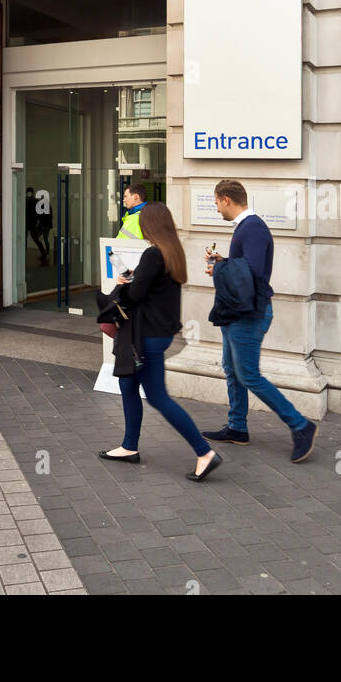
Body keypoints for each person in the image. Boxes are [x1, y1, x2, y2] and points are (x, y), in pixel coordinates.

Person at [98, 201, 222, 482]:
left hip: (147, 336)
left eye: (143, 221)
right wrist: (134, 279)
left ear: (150, 224)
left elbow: (134, 296)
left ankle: (204, 453)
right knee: (127, 383)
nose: (140, 225)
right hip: (159, 333)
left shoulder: (153, 254)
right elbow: (151, 289)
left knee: (157, 396)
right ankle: (129, 446)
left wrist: (122, 282)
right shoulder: (172, 252)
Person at [201, 179, 318, 463]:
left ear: (227, 199)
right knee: (232, 369)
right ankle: (237, 428)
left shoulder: (252, 227)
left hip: (249, 315)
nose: (216, 208)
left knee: (248, 375)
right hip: (237, 313)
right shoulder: (245, 227)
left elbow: (250, 273)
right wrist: (223, 261)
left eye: (216, 202)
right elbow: (244, 268)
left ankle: (301, 425)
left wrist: (220, 267)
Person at [25, 186, 50, 263]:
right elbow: (39, 214)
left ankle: (43, 253)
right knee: (36, 240)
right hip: (31, 223)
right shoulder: (35, 201)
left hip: (29, 223)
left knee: (31, 240)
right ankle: (43, 253)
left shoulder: (26, 201)